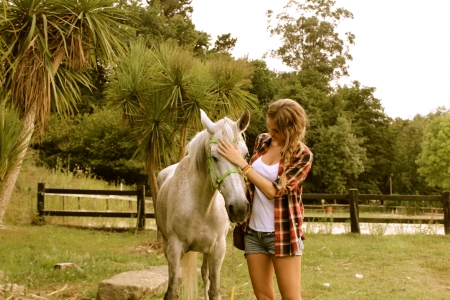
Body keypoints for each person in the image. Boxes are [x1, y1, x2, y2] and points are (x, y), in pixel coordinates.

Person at [218, 99, 313, 300]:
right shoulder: (262, 140)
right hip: (253, 233)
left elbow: (273, 191)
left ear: (291, 129)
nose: (271, 133)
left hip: (283, 233)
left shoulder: (302, 156)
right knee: (263, 296)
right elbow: (252, 182)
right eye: (269, 127)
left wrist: (242, 164)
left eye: (276, 130)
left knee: (291, 298)